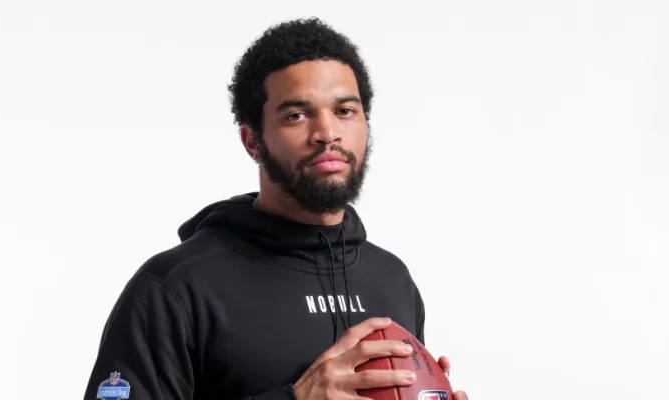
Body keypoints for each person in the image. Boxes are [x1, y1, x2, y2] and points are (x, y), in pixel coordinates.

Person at [83, 17, 469, 400]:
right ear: (252, 141)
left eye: (345, 111)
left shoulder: (392, 279)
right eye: (296, 115)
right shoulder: (177, 287)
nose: (327, 132)